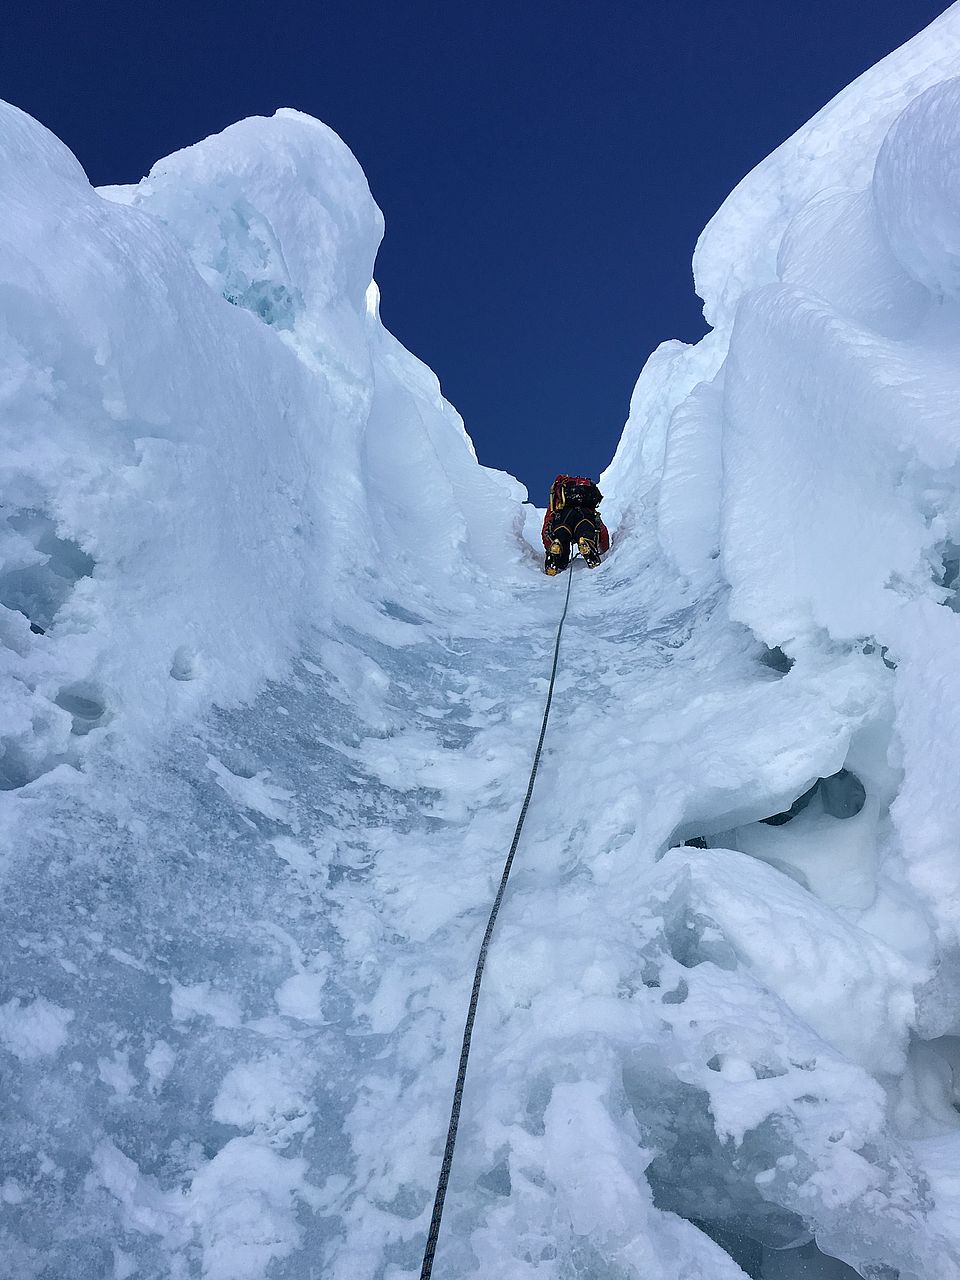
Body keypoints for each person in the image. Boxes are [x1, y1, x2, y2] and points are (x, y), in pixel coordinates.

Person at [541, 474, 609, 575]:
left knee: (562, 533)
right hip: (585, 515)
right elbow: (601, 528)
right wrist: (605, 547)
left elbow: (549, 519)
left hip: (563, 516)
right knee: (585, 528)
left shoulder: (557, 497)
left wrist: (548, 544)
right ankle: (587, 542)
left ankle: (557, 555)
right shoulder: (587, 503)